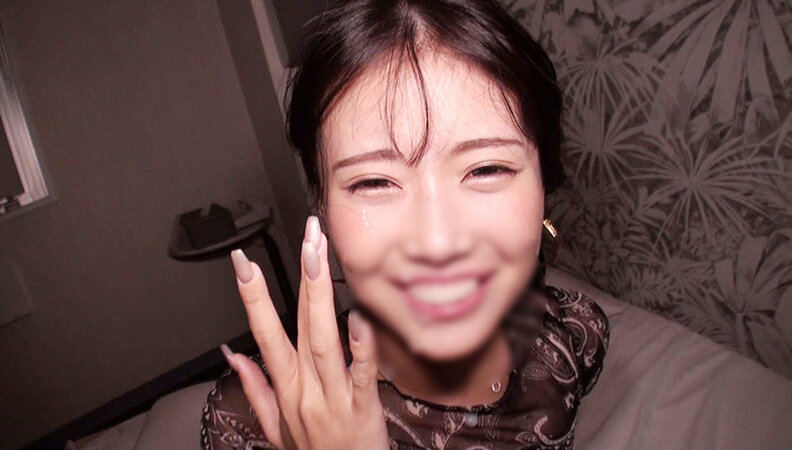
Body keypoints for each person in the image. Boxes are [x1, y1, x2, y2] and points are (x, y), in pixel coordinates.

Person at [201, 0, 609, 448]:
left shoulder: (575, 334)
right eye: (374, 182)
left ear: (544, 181)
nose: (437, 243)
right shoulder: (250, 422)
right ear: (322, 206)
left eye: (487, 169)